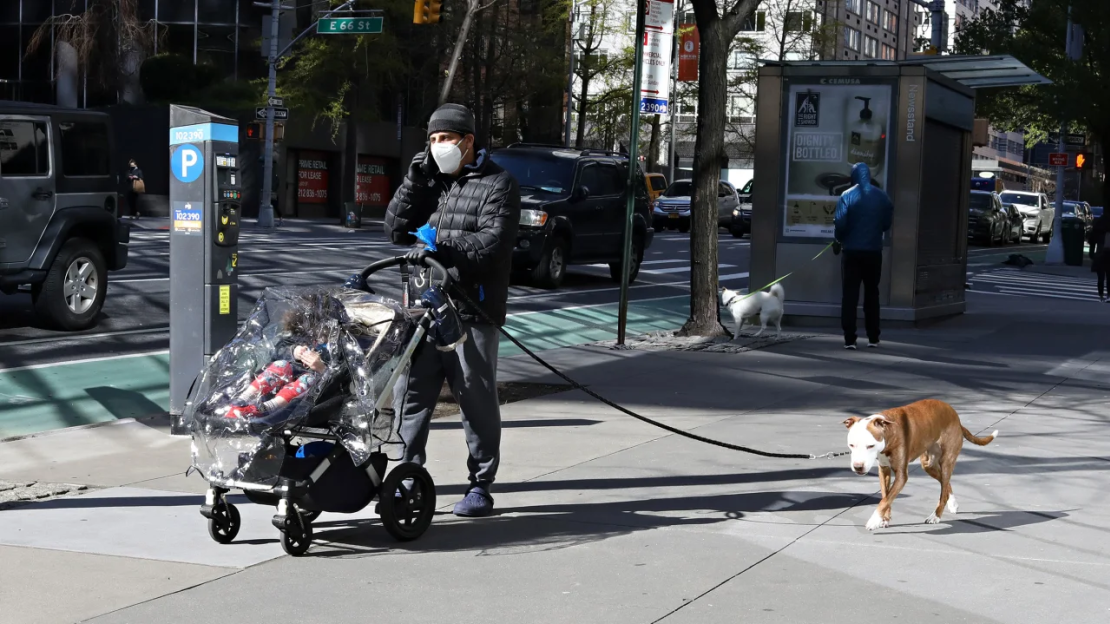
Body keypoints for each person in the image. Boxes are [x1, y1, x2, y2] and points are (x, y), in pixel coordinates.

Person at [383, 103, 520, 517]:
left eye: (445, 139)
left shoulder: (500, 184)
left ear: (467, 142)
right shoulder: (431, 183)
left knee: (475, 400)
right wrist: (412, 181)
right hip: (424, 311)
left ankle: (480, 484)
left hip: (472, 312)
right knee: (412, 398)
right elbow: (394, 229)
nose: (438, 146)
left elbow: (492, 243)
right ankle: (407, 476)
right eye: (432, 139)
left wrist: (443, 249)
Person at [220, 293, 340, 419]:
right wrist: (294, 351)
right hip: (287, 375)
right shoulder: (299, 335)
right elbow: (278, 350)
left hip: (313, 385)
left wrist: (321, 368)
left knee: (308, 379)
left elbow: (340, 372)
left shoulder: (335, 344)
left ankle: (265, 409)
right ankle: (241, 400)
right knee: (280, 365)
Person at [833, 162, 893, 350]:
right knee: (872, 293)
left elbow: (840, 224)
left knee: (850, 295)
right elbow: (886, 224)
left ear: (854, 176)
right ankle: (873, 336)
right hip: (874, 251)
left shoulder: (847, 196)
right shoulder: (882, 197)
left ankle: (850, 338)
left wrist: (839, 239)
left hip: (851, 251)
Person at [1090, 210, 1109, 303]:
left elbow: (1093, 240)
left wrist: (1091, 253)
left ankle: (1101, 294)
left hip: (1100, 253)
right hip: (1108, 253)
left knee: (1100, 276)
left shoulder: (1098, 224)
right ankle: (1108, 294)